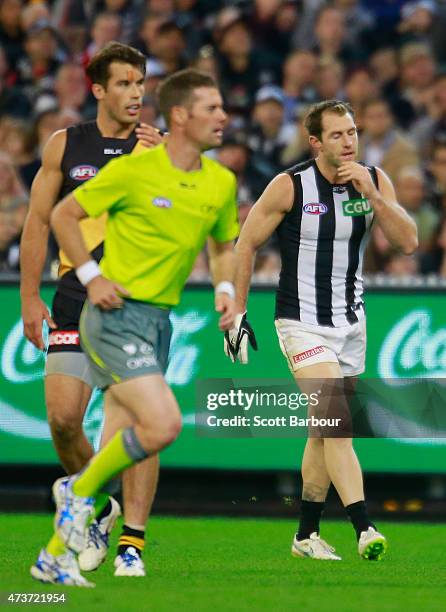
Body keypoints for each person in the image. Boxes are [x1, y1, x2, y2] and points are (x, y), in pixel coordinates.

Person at [33, 68, 239, 587]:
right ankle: (80, 494)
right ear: (181, 116)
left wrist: (226, 290)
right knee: (162, 424)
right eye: (212, 108)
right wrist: (91, 274)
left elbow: (221, 244)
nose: (223, 116)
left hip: (157, 318)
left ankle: (57, 554)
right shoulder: (131, 169)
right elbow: (61, 216)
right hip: (112, 314)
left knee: (133, 432)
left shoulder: (221, 181)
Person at [225, 100, 417, 561]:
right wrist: (236, 313)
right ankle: (364, 526)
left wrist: (373, 195)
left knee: (322, 432)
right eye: (337, 135)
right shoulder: (289, 186)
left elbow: (408, 243)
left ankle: (306, 535)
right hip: (301, 323)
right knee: (338, 424)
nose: (349, 141)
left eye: (352, 132)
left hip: (352, 324)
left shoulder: (373, 178)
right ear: (315, 142)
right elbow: (246, 244)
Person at [21, 42, 164, 585]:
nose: (136, 93)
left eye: (140, 83)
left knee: (135, 426)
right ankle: (99, 506)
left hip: (135, 303)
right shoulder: (66, 144)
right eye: (124, 83)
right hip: (73, 297)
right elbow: (37, 224)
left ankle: (133, 540)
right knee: (61, 418)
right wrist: (28, 297)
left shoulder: (159, 150)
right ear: (99, 90)